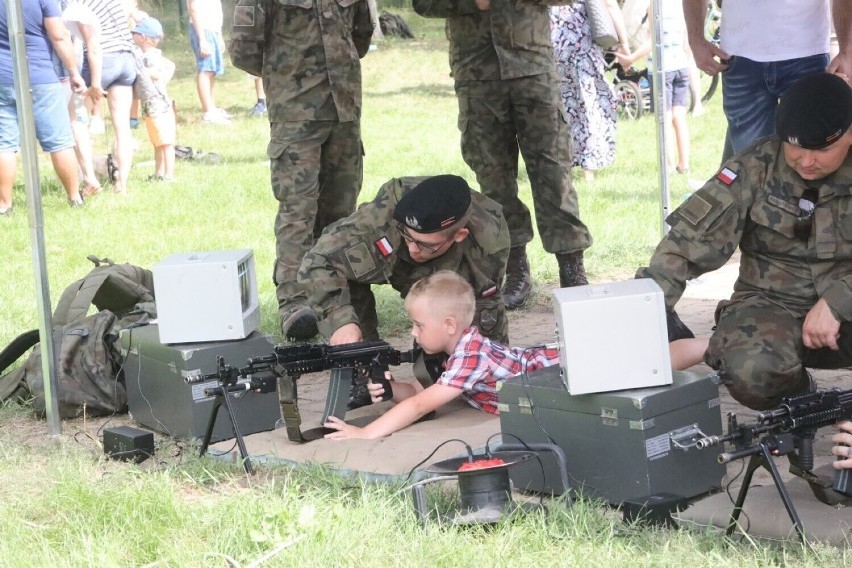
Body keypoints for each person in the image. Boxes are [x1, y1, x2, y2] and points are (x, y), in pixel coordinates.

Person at [637, 72, 852, 414]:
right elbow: (685, 245)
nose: (807, 160)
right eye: (795, 145)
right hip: (772, 307)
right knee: (749, 370)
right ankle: (800, 399)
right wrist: (638, 317)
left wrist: (837, 301)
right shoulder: (755, 166)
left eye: (822, 148)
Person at [324, 270, 709, 440]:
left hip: (556, 371)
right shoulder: (458, 351)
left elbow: (422, 405)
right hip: (547, 368)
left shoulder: (468, 356)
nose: (412, 332)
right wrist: (392, 389)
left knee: (646, 362)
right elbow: (419, 392)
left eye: (418, 325)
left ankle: (715, 346)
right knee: (640, 360)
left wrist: (366, 433)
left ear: (449, 325)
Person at [413, 0, 593, 311]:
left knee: (553, 174)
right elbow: (423, 4)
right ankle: (516, 271)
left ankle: (572, 269)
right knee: (494, 180)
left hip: (532, 70)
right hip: (477, 75)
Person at [239, 0, 374, 341]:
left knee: (342, 211)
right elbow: (243, 46)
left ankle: (339, 299)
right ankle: (295, 303)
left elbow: (362, 32)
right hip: (295, 111)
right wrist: (286, 74)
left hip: (344, 106)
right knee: (297, 211)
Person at [296, 175, 511, 349]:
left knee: (458, 369)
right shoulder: (379, 221)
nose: (413, 249)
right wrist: (341, 321)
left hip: (453, 265)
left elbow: (486, 321)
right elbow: (319, 261)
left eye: (425, 244)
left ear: (459, 235)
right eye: (409, 238)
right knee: (342, 273)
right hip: (389, 242)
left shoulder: (487, 245)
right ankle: (364, 363)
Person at [683, 0, 852, 161]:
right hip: (740, 58)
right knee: (751, 162)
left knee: (812, 153)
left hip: (807, 54)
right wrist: (696, 39)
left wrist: (847, 50)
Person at [0, 0, 86, 214]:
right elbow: (59, 36)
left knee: (3, 144)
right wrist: (74, 72)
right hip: (40, 77)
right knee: (60, 141)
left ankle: (4, 205)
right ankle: (74, 198)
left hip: (2, 78)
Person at [549, 0, 630, 182]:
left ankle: (563, 166)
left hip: (552, 44)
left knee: (560, 107)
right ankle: (588, 169)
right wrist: (623, 44)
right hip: (582, 45)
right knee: (588, 105)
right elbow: (609, 4)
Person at [617, 1, 691, 174]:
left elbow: (654, 40)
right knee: (679, 117)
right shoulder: (681, 3)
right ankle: (684, 164)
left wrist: (631, 58)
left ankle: (669, 165)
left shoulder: (655, 6)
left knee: (663, 118)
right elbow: (686, 38)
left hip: (661, 69)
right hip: (680, 65)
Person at [78, 0, 136, 194]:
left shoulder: (82, 3)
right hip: (127, 59)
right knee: (122, 126)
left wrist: (95, 84)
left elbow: (93, 45)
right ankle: (122, 184)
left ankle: (89, 178)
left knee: (76, 120)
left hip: (105, 59)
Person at [130, 16, 176, 182]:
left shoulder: (150, 57)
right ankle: (158, 173)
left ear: (144, 37)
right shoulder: (144, 55)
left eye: (135, 33)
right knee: (157, 141)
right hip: (150, 105)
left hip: (159, 105)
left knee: (166, 142)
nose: (132, 35)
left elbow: (165, 69)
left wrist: (151, 74)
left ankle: (168, 174)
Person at [188, 0, 228, 125]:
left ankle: (212, 108)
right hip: (203, 30)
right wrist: (202, 39)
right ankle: (208, 113)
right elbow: (193, 8)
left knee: (211, 71)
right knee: (205, 70)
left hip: (212, 30)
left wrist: (219, 35)